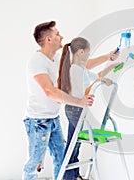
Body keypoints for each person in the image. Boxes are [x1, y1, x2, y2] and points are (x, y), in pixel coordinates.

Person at [23, 21, 95, 180]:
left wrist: (109, 57)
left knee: (62, 160)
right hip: (38, 122)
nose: (61, 36)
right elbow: (50, 91)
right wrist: (79, 101)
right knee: (35, 163)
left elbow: (84, 64)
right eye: (57, 34)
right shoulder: (37, 61)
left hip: (53, 119)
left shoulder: (56, 58)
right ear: (48, 39)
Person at [57, 37, 119, 180]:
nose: (89, 55)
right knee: (72, 144)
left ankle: (73, 175)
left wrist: (113, 65)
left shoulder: (81, 69)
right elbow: (84, 93)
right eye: (88, 53)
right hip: (74, 109)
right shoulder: (75, 70)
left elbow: (97, 76)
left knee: (75, 144)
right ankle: (68, 176)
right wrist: (98, 82)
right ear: (80, 52)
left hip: (78, 110)